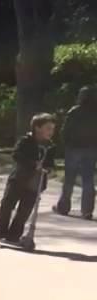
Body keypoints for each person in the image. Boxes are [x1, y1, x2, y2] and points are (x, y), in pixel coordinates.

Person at [0, 114, 57, 244]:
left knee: (25, 211)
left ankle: (14, 235)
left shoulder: (50, 147)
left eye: (52, 129)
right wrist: (33, 163)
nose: (51, 132)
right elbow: (16, 155)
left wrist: (49, 169)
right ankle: (1, 231)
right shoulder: (25, 141)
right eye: (48, 128)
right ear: (37, 127)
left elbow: (50, 163)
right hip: (18, 179)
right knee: (7, 204)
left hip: (35, 184)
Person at [53, 86, 97, 220]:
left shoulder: (74, 111)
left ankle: (64, 207)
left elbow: (65, 130)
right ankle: (87, 210)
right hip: (91, 148)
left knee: (69, 179)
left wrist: (65, 143)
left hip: (73, 148)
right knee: (88, 180)